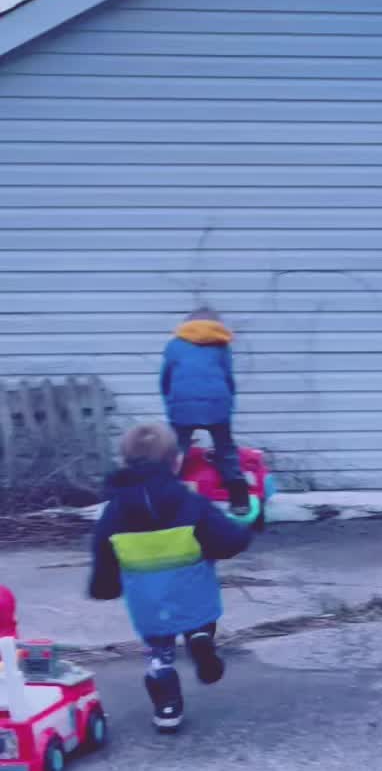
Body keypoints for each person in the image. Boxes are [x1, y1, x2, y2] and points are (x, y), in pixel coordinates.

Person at [89, 421, 256, 732]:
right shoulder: (190, 502)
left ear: (124, 462)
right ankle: (200, 638)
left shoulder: (114, 511)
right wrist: (243, 532)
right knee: (198, 618)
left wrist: (104, 585)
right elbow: (228, 540)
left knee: (158, 651)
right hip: (194, 594)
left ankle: (167, 708)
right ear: (176, 462)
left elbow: (102, 548)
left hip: (148, 603)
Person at [160, 313, 249, 513]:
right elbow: (228, 378)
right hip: (217, 403)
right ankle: (239, 499)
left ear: (187, 324)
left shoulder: (174, 345)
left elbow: (166, 379)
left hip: (182, 404)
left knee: (177, 451)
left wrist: (169, 403)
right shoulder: (221, 346)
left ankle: (166, 495)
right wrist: (229, 403)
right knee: (225, 450)